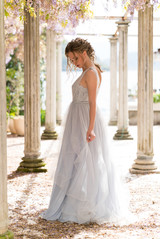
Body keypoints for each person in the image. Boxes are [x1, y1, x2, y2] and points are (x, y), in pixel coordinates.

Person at [41, 38, 130, 225]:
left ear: (83, 53)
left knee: (85, 160)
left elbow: (93, 102)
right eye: (71, 60)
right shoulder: (88, 70)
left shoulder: (91, 72)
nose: (73, 63)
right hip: (78, 118)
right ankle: (74, 201)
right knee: (78, 160)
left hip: (84, 120)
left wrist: (90, 128)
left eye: (74, 59)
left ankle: (85, 204)